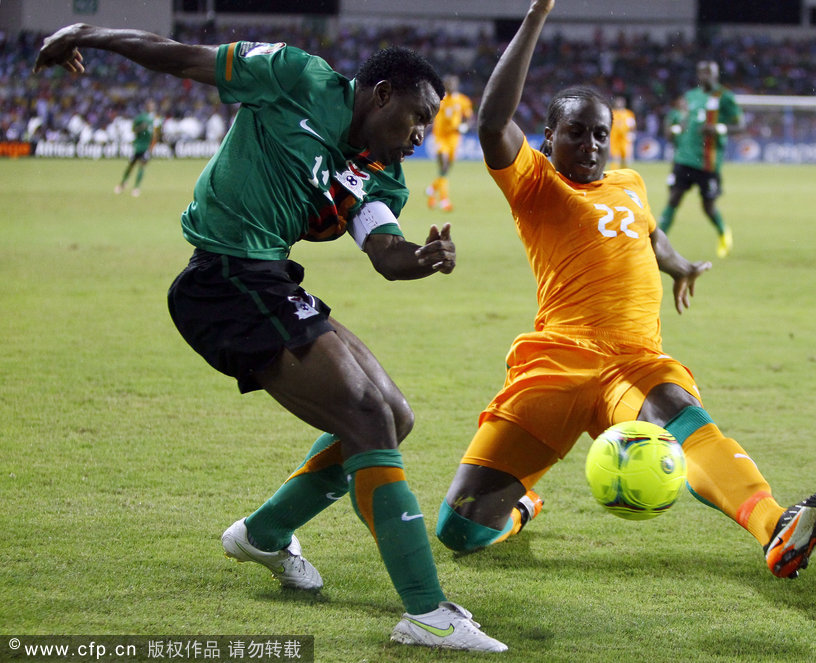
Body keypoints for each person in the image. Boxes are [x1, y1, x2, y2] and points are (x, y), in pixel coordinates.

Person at [34, 24, 506, 653]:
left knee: (394, 415)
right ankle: (426, 611)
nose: (421, 134)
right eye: (417, 117)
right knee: (366, 416)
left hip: (267, 279)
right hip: (223, 277)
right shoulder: (294, 77)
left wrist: (421, 257)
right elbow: (184, 57)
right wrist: (88, 34)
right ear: (381, 94)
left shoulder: (379, 172)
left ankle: (263, 534)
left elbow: (386, 253)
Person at [434, 0, 816, 582]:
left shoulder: (629, 183)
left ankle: (776, 528)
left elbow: (648, 235)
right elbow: (489, 123)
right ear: (549, 136)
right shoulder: (535, 183)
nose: (589, 144)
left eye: (599, 134)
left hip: (634, 361)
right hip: (557, 364)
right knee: (459, 528)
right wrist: (536, 13)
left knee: (687, 421)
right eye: (575, 133)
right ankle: (521, 507)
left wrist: (678, 263)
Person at [658, 61, 744, 259]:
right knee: (673, 198)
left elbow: (740, 125)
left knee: (708, 206)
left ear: (716, 74)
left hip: (708, 162)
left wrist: (719, 129)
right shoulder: (690, 96)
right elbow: (685, 121)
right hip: (684, 157)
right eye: (702, 72)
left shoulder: (725, 97)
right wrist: (676, 131)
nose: (705, 76)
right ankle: (656, 242)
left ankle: (724, 232)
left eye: (709, 73)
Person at [426, 74, 473, 212]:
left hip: (454, 138)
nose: (451, 87)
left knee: (445, 170)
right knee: (444, 165)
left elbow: (469, 117)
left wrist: (465, 126)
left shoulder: (463, 101)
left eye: (453, 84)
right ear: (445, 86)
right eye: (448, 84)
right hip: (440, 137)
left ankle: (432, 189)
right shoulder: (439, 100)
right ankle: (445, 200)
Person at [115, 99, 160, 197]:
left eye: (153, 106)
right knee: (131, 165)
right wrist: (141, 128)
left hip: (146, 147)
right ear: (147, 106)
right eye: (151, 105)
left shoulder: (155, 119)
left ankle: (136, 188)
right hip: (138, 146)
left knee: (142, 166)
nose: (152, 107)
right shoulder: (141, 118)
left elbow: (155, 134)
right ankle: (123, 183)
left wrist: (152, 146)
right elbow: (134, 130)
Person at [609, 95, 636, 169]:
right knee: (615, 157)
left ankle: (624, 172)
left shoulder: (628, 113)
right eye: (618, 102)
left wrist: (632, 134)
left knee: (626, 156)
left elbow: (632, 125)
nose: (619, 104)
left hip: (624, 138)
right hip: (614, 138)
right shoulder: (612, 113)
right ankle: (615, 173)